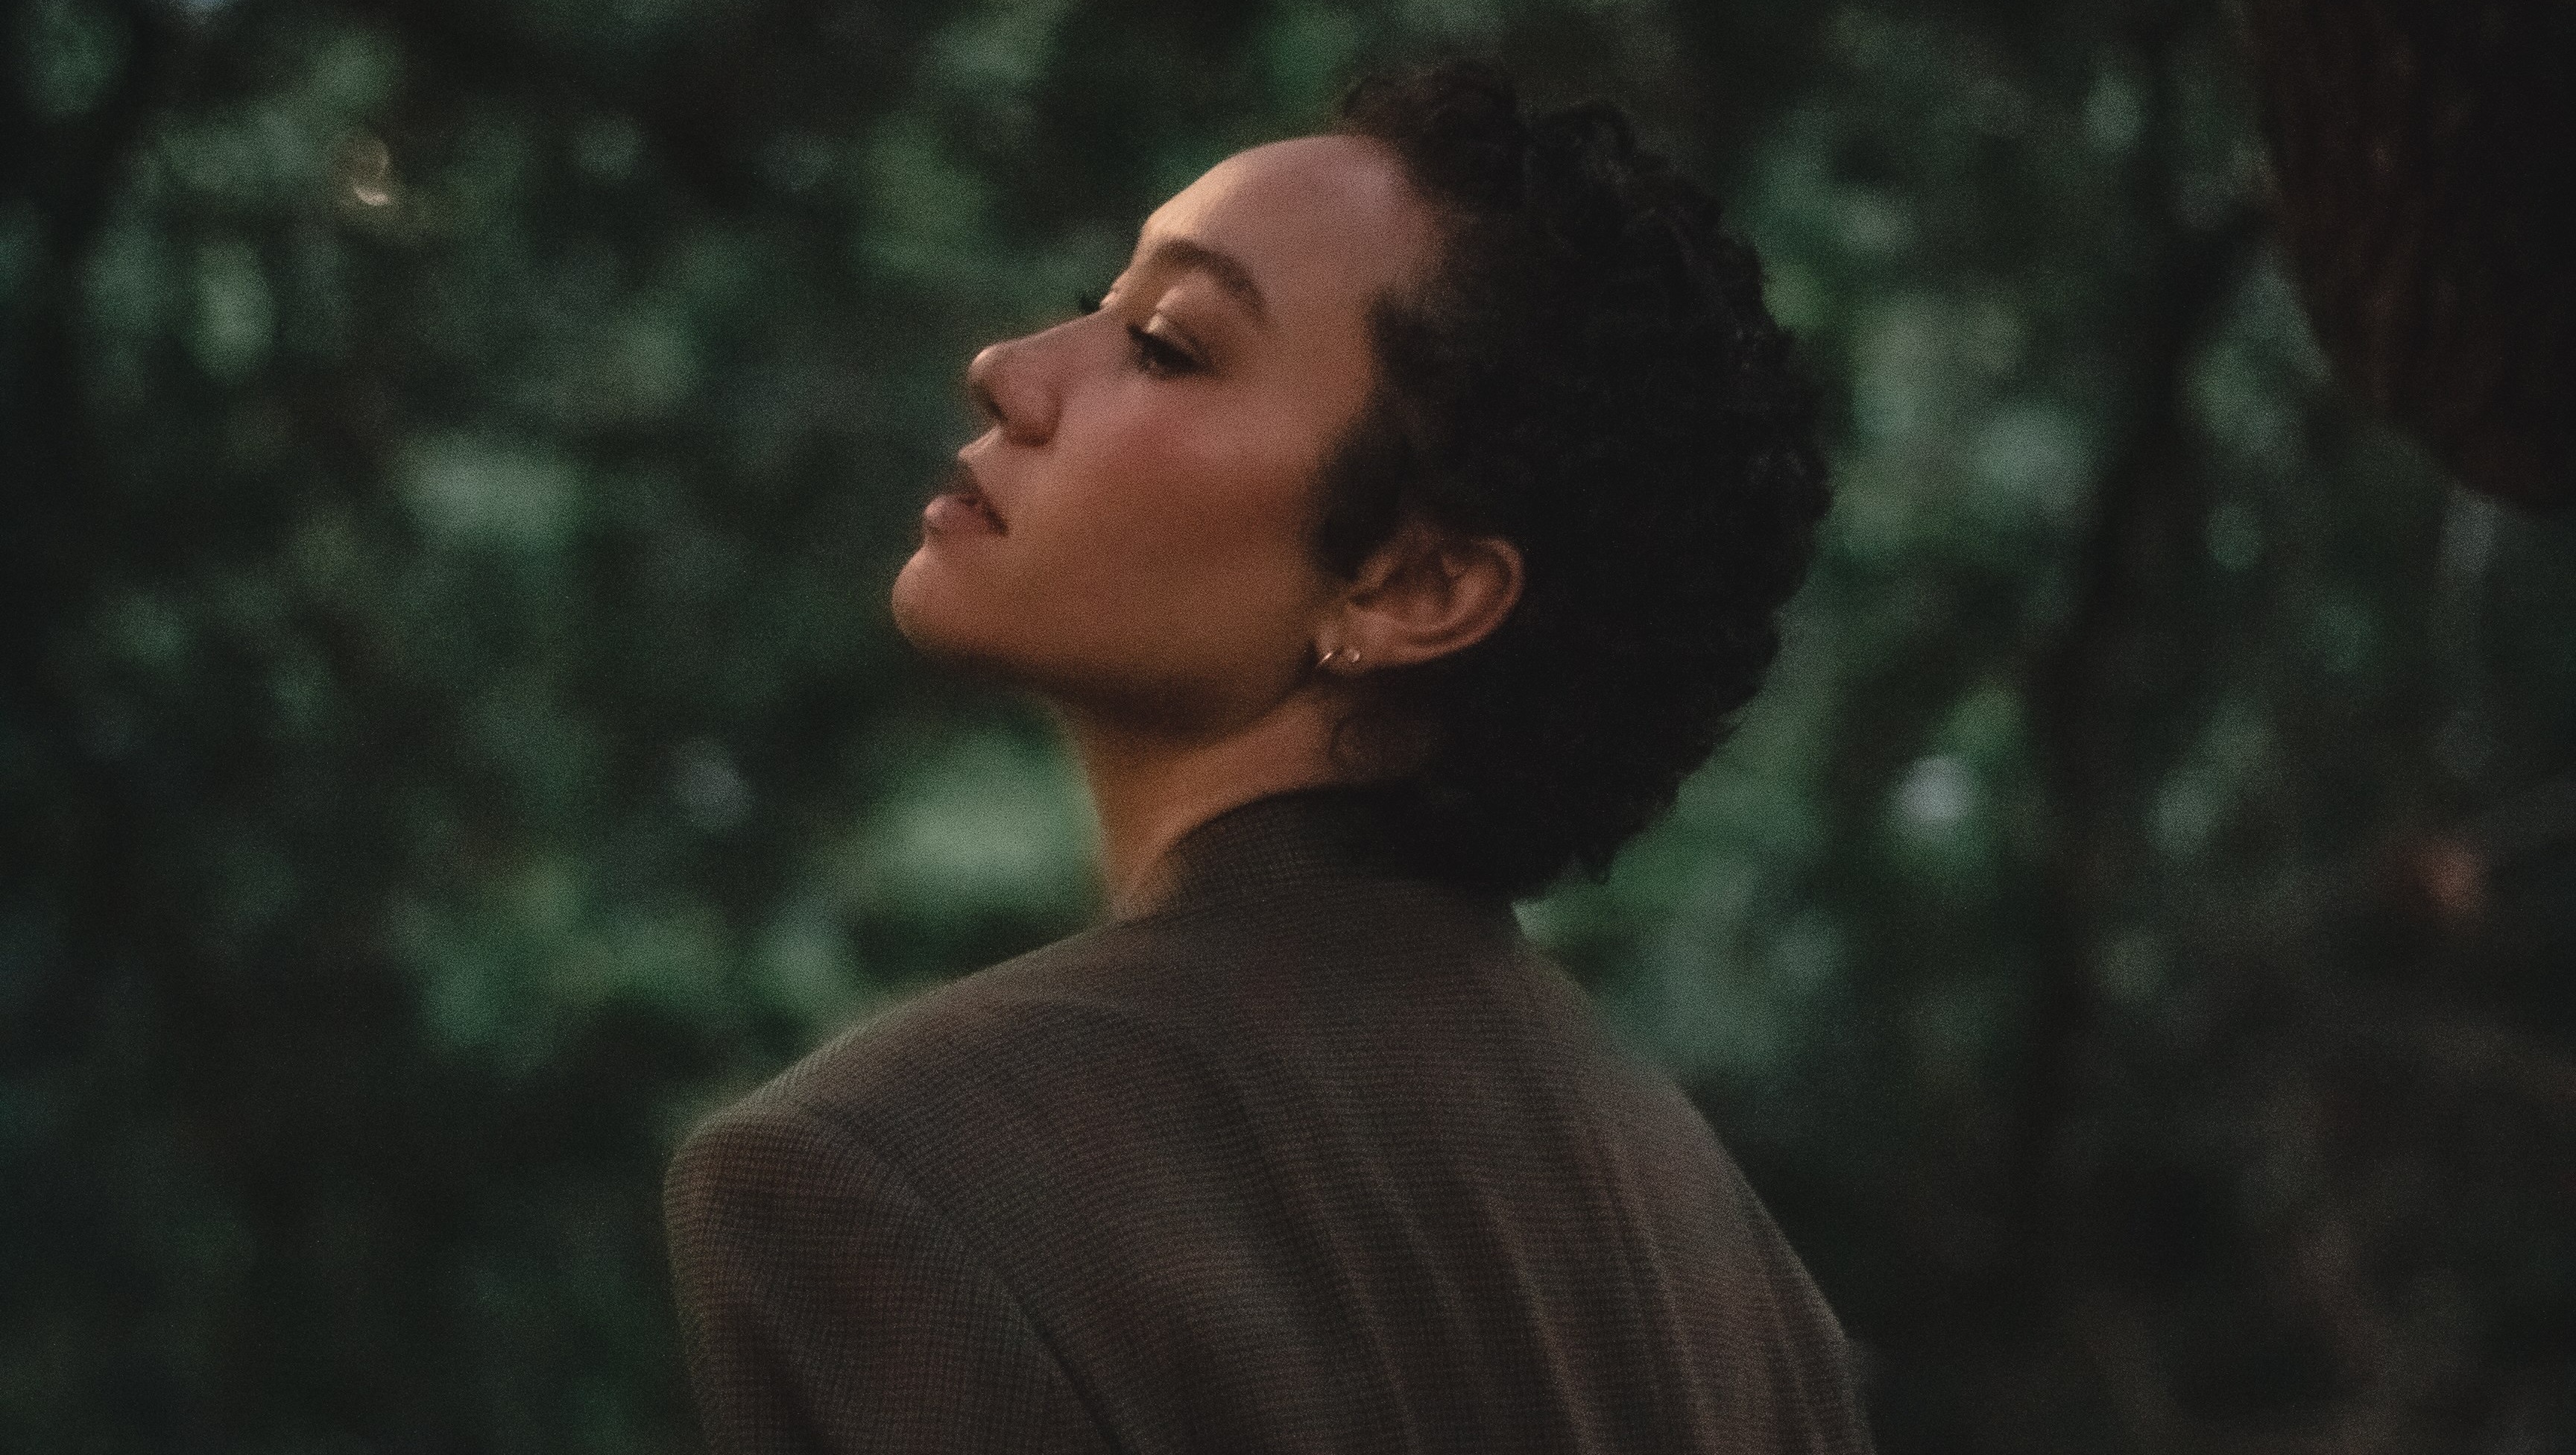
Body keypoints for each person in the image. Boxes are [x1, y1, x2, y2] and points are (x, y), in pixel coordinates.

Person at [664, 60, 1869, 1454]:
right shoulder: (1732, 1276)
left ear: (1412, 587)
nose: (1010, 368)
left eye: (1166, 345)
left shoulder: (899, 1176)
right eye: (1101, 304)